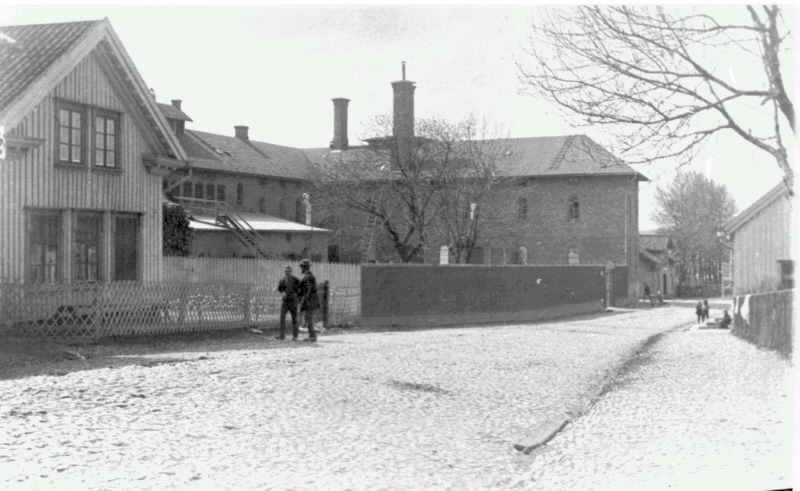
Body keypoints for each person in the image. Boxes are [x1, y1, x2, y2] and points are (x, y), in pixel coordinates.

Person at [297, 258, 320, 342]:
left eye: (302, 267)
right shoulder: (308, 276)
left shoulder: (308, 277)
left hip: (310, 300)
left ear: (305, 267)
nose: (301, 269)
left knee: (309, 319)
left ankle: (312, 336)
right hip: (310, 300)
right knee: (308, 318)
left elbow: (309, 289)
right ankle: (312, 335)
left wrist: (305, 299)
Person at [276, 266, 300, 340]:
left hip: (293, 301)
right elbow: (279, 288)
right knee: (282, 318)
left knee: (294, 319)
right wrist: (282, 292)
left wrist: (297, 296)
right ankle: (282, 335)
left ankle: (295, 336)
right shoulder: (282, 280)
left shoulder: (295, 279)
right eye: (286, 271)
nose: (287, 273)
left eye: (288, 271)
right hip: (285, 302)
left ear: (291, 272)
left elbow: (300, 288)